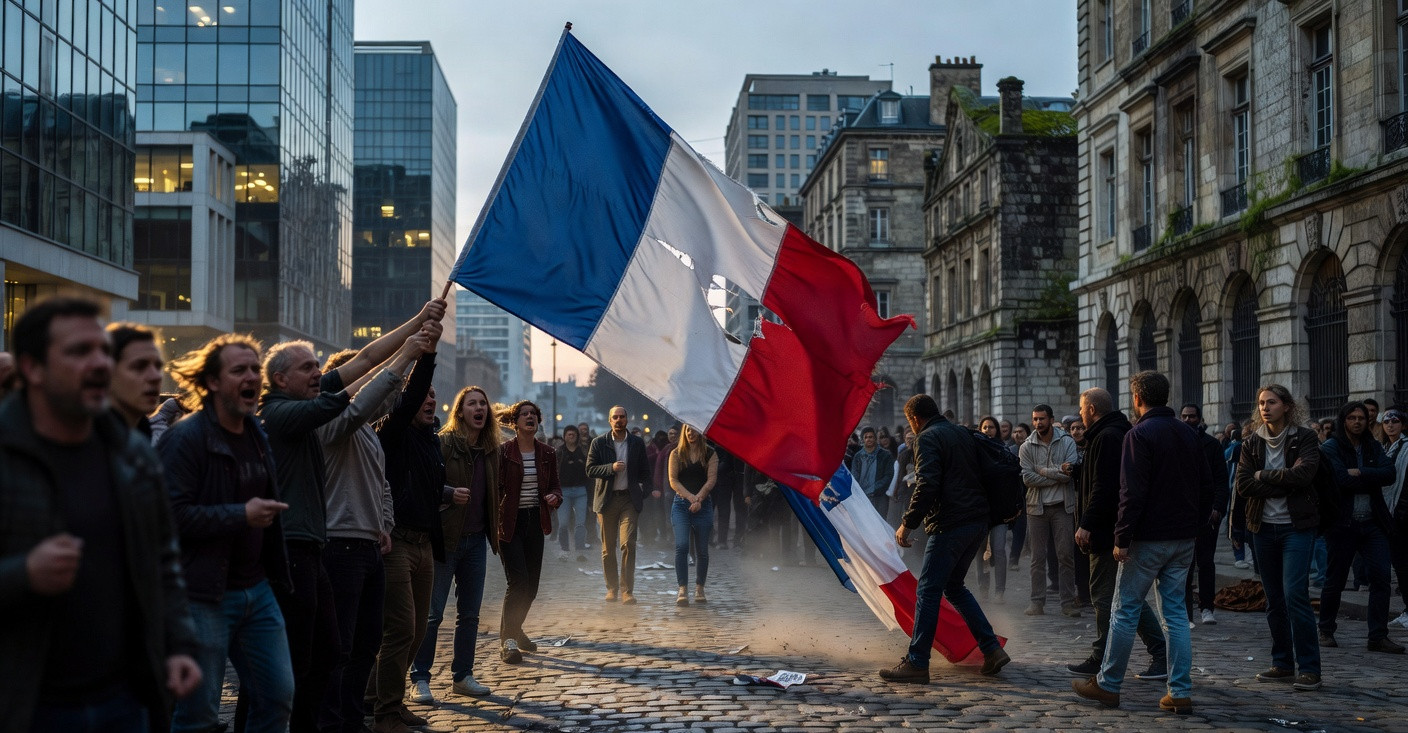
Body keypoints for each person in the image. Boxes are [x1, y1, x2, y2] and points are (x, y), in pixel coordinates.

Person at [2, 298, 201, 732]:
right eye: (79, 352)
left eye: (103, 352)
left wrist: (179, 645)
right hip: (25, 704)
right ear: (33, 368)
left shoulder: (132, 454)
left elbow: (163, 561)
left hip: (125, 699)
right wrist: (23, 574)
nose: (98, 364)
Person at [161, 333, 294, 733]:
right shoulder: (185, 438)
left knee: (277, 697)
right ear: (212, 382)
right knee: (198, 714)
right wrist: (241, 515)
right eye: (239, 370)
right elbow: (169, 517)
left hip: (257, 589)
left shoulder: (256, 432)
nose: (251, 376)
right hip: (203, 595)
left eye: (255, 368)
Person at [1072, 371, 1211, 714]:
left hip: (1148, 538)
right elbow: (1207, 486)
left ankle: (1108, 684)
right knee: (1175, 615)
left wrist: (1121, 537)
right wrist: (1195, 526)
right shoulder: (1188, 432)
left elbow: (1130, 492)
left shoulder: (1140, 434)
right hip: (1183, 537)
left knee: (1124, 609)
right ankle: (1179, 691)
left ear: (1137, 398)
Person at [315, 336, 427, 733]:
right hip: (339, 544)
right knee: (340, 646)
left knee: (367, 644)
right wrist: (407, 353)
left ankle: (352, 718)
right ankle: (331, 722)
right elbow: (365, 403)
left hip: (369, 545)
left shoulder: (365, 431)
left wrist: (385, 523)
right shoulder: (330, 421)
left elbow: (382, 485)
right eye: (365, 379)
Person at [880, 394, 1009, 684]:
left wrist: (907, 524)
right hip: (977, 520)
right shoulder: (962, 432)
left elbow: (927, 484)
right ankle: (991, 649)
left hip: (950, 523)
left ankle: (917, 662)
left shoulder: (926, 438)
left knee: (927, 591)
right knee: (953, 586)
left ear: (915, 419)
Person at [371, 320, 450, 733]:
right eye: (423, 395)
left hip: (424, 544)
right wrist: (427, 353)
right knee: (400, 628)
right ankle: (385, 713)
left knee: (417, 632)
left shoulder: (432, 440)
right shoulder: (393, 431)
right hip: (396, 542)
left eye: (434, 396)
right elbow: (411, 394)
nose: (429, 400)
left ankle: (377, 697)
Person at [1067, 388, 1167, 680]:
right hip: (1111, 528)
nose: (1080, 414)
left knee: (1106, 595)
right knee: (1122, 595)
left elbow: (1105, 487)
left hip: (1106, 530)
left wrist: (1087, 523)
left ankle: (1107, 657)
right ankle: (1148, 653)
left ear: (1092, 409)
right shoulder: (1107, 434)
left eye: (1082, 409)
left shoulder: (1108, 437)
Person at [412, 385, 501, 699]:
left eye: (483, 404)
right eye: (472, 404)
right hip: (445, 540)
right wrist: (449, 493)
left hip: (476, 541)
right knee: (432, 614)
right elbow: (423, 484)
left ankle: (462, 676)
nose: (479, 409)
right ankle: (420, 678)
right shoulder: (444, 442)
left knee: (470, 615)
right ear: (460, 411)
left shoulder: (490, 449)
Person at [1234, 384, 1324, 691]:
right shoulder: (1251, 442)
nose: (1265, 408)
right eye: (1261, 403)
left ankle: (1309, 668)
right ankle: (1283, 663)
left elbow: (1305, 475)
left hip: (1296, 527)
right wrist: (1283, 480)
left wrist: (1263, 475)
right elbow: (1244, 485)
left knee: (1295, 594)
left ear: (1286, 406)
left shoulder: (1304, 437)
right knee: (1273, 599)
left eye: (1271, 402)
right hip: (1262, 528)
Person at [1317, 401, 1402, 653]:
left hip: (1373, 523)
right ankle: (1326, 629)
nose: (1357, 422)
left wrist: (1360, 472)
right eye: (1352, 417)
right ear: (1344, 420)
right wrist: (1369, 475)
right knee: (1335, 579)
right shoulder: (1331, 447)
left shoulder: (1373, 446)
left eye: (1361, 418)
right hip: (1342, 524)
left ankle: (1378, 635)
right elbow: (1341, 479)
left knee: (1381, 578)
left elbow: (1389, 474)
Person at [495, 400, 562, 663]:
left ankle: (516, 629)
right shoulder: (504, 452)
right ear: (515, 422)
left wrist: (555, 497)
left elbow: (556, 485)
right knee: (518, 581)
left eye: (533, 413)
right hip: (510, 522)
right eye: (524, 414)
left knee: (531, 586)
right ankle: (508, 641)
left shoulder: (547, 453)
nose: (530, 417)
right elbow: (495, 488)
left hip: (535, 521)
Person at [1018, 404, 1080, 617]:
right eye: (1035, 419)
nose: (1038, 423)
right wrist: (1056, 473)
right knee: (1037, 557)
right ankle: (1036, 601)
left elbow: (1069, 473)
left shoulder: (1067, 441)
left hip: (1062, 506)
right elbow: (1028, 478)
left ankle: (1068, 602)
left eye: (1042, 419)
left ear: (1051, 419)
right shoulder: (1027, 446)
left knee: (1066, 555)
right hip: (1037, 507)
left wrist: (1042, 471)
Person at [588, 405, 652, 603]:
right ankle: (612, 588)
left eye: (621, 416)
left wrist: (644, 491)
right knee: (608, 548)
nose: (618, 420)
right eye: (615, 417)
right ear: (609, 421)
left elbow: (645, 472)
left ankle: (627, 590)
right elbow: (590, 469)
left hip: (629, 500)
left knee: (628, 544)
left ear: (627, 419)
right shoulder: (599, 443)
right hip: (606, 500)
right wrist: (611, 467)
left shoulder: (636, 443)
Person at [1179, 403, 1231, 627]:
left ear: (1199, 419)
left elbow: (1221, 480)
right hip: (1183, 513)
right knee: (1185, 564)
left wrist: (1218, 507)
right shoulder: (1176, 442)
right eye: (1184, 416)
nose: (1188, 420)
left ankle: (1207, 607)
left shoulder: (1212, 445)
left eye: (1192, 416)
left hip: (1208, 513)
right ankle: (1186, 613)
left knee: (1206, 561)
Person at [668, 424, 718, 605]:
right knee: (682, 546)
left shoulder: (710, 453)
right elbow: (673, 480)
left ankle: (699, 587)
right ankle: (682, 588)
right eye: (688, 429)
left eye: (694, 429)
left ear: (700, 431)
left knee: (702, 550)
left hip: (703, 505)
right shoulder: (676, 453)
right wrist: (691, 498)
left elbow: (711, 480)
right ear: (684, 432)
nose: (691, 433)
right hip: (681, 505)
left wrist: (699, 499)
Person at [105, 322, 165, 436]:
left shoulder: (143, 435)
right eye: (139, 366)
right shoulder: (82, 438)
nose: (156, 376)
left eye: (158, 367)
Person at [972, 416, 1008, 600]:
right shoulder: (974, 452)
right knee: (980, 551)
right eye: (984, 427)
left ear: (997, 430)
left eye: (991, 427)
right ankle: (983, 588)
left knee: (999, 549)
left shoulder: (1003, 450)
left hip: (999, 510)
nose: (988, 430)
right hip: (979, 509)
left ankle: (1000, 590)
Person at [555, 424, 591, 561]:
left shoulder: (583, 452)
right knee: (563, 523)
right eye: (569, 434)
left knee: (580, 523)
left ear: (577, 436)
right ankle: (564, 550)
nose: (571, 437)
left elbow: (589, 472)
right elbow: (554, 472)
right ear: (564, 436)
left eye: (574, 435)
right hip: (564, 491)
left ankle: (580, 550)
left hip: (581, 491)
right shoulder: (559, 452)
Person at [850, 426, 895, 517]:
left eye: (870, 437)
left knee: (880, 521)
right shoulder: (858, 456)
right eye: (866, 437)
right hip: (862, 496)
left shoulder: (886, 455)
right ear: (862, 439)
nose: (868, 439)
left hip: (879, 496)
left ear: (875, 438)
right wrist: (859, 491)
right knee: (864, 522)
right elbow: (854, 475)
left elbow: (888, 476)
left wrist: (873, 489)